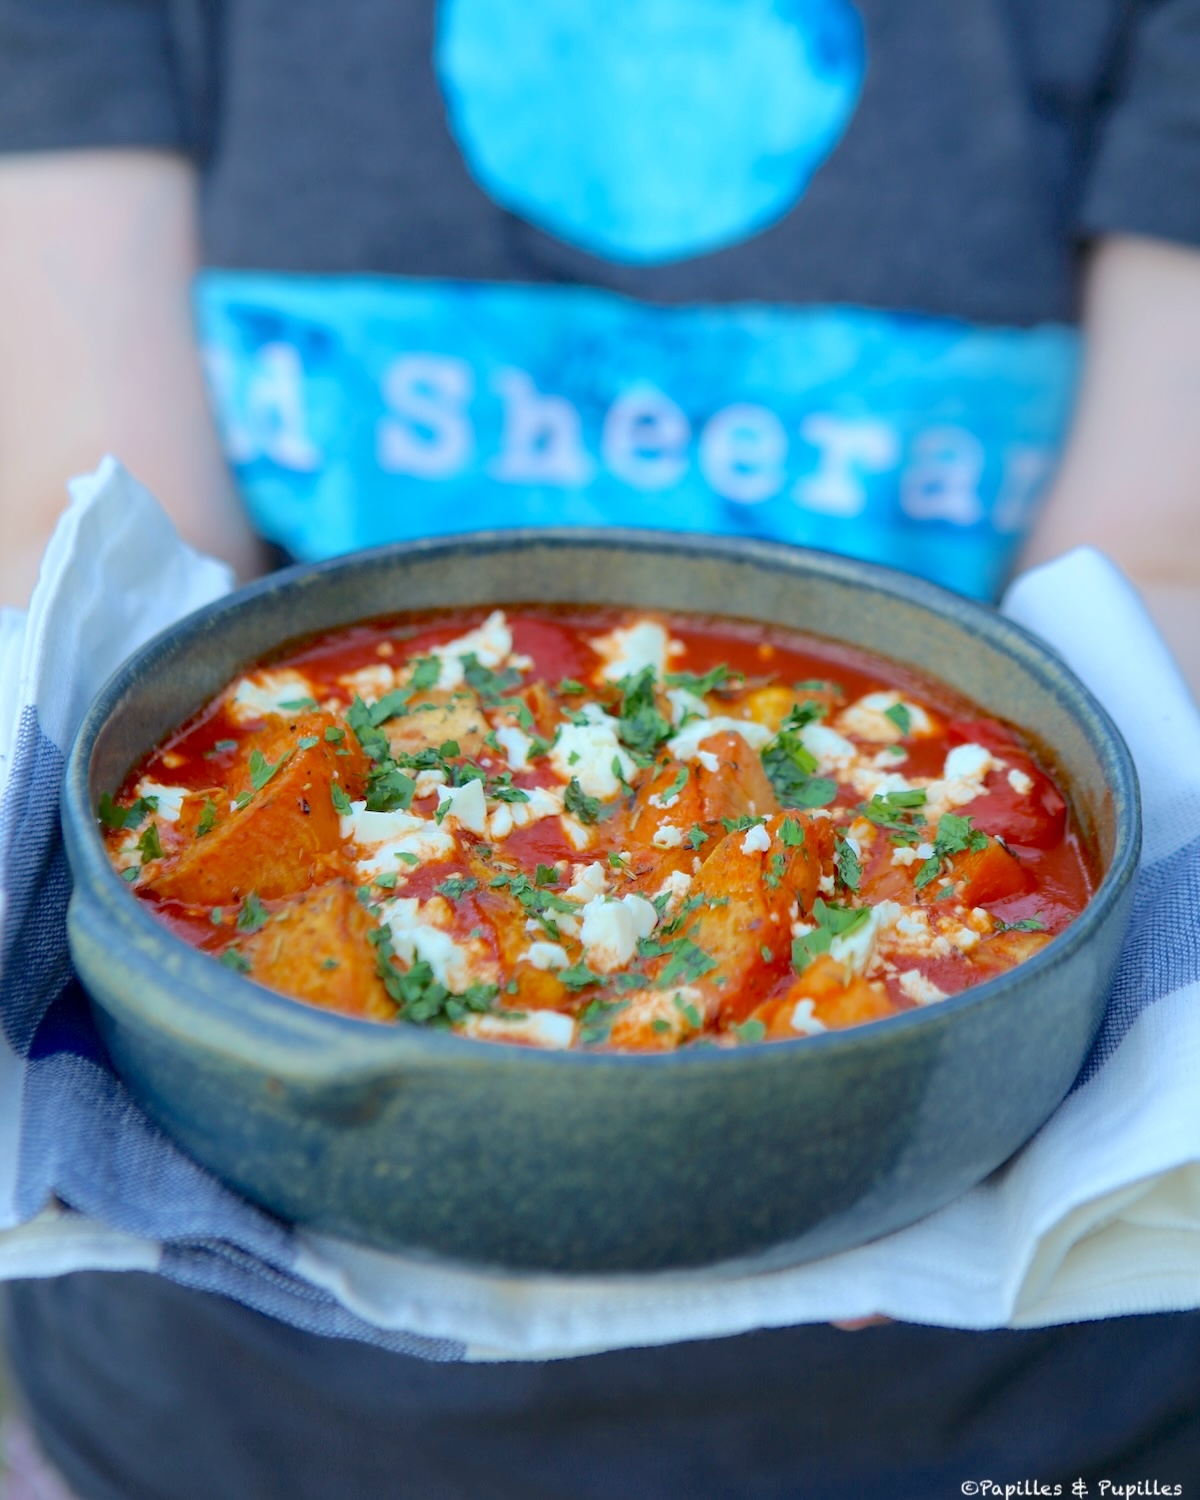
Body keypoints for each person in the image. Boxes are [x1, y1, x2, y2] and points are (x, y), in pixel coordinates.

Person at [1, 2, 1199, 1495]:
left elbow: (1159, 574)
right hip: (229, 1402)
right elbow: (90, 547)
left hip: (1004, 1409)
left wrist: (1022, 1080)